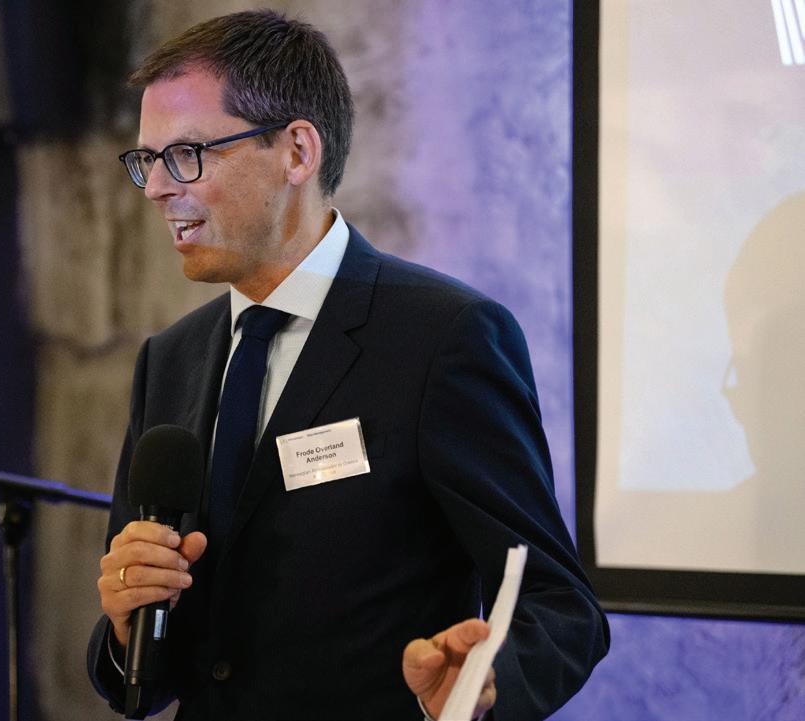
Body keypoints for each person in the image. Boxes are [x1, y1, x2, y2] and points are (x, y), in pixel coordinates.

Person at [86, 10, 609, 720]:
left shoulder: (443, 337)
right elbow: (152, 670)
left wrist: (480, 686)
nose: (155, 187)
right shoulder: (169, 359)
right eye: (147, 160)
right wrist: (127, 627)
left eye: (185, 154)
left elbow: (560, 605)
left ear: (297, 151)